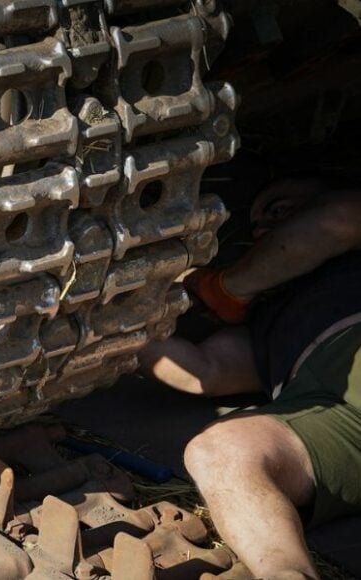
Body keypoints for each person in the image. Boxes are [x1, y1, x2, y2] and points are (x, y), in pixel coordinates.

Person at [138, 178, 361, 578]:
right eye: (256, 226)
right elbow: (202, 372)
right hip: (339, 417)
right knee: (219, 453)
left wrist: (228, 287)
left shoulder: (349, 232)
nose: (264, 228)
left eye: (279, 208)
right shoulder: (266, 322)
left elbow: (339, 220)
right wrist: (119, 315)